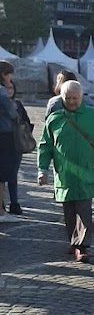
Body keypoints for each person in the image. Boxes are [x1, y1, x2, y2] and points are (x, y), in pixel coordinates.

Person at [37, 80, 94, 262]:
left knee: (84, 210)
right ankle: (74, 242)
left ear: (82, 97)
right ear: (61, 97)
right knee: (69, 211)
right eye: (68, 98)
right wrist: (42, 170)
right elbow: (45, 146)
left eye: (75, 98)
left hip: (88, 173)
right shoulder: (54, 119)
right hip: (65, 174)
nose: (72, 101)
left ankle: (83, 246)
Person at [3, 76, 31, 214]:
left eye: (11, 88)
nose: (9, 91)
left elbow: (26, 121)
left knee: (13, 174)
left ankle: (14, 203)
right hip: (5, 141)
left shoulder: (18, 104)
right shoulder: (5, 105)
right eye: (7, 88)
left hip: (16, 143)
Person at [0, 62, 20, 218]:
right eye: (9, 74)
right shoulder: (1, 91)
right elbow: (12, 113)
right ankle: (0, 210)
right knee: (4, 174)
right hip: (4, 133)